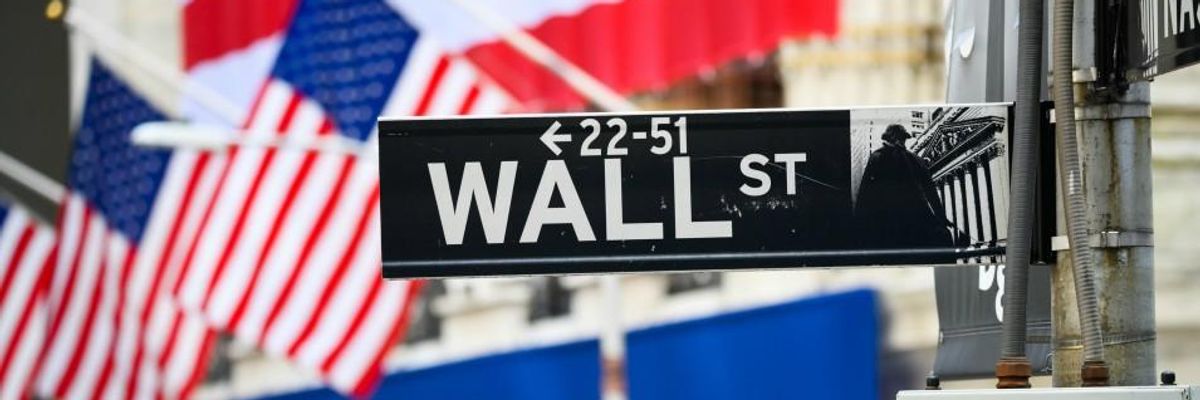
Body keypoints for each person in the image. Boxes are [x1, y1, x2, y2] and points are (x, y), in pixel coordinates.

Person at [854, 124, 953, 249]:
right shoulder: (915, 159)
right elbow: (931, 191)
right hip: (912, 218)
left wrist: (859, 221)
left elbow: (865, 193)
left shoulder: (878, 157)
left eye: (902, 138)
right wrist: (941, 217)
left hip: (891, 220)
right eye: (901, 138)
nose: (901, 142)